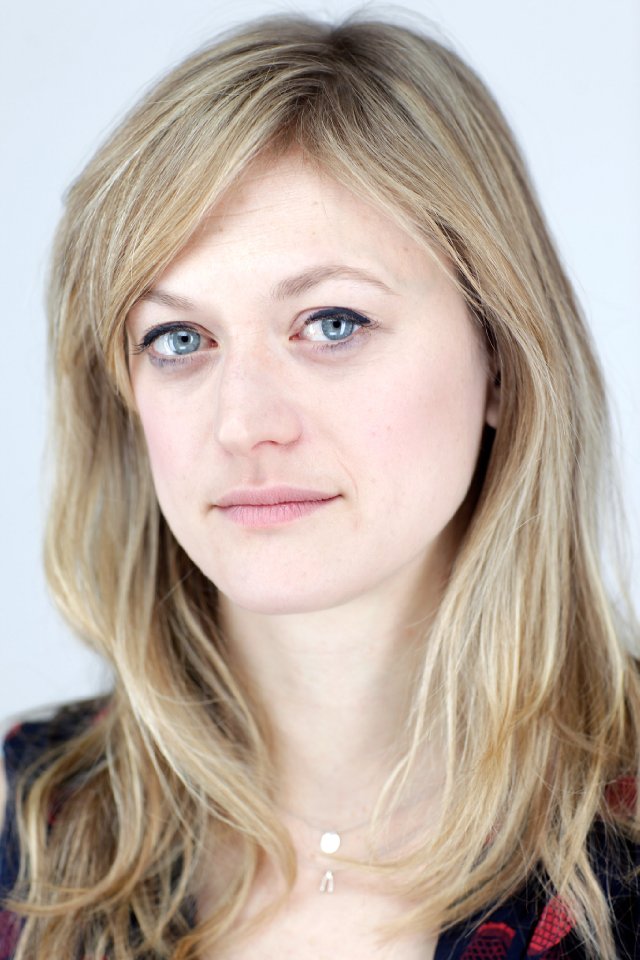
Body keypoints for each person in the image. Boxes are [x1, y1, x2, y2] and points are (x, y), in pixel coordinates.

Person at [0, 11, 638, 960]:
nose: (243, 421)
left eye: (332, 322)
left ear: (501, 363)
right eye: (180, 339)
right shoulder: (25, 827)